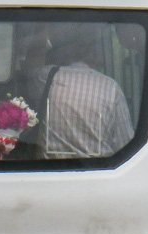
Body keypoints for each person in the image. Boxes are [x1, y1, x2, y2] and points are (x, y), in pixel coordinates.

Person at [37, 27, 133, 158]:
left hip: (51, 171)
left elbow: (29, 66)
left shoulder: (46, 76)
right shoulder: (111, 88)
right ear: (95, 55)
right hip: (99, 172)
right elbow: (125, 145)